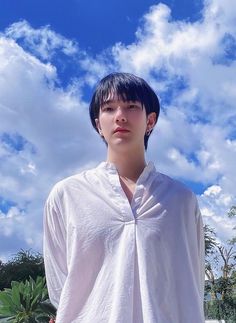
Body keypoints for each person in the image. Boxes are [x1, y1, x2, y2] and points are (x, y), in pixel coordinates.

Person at [43, 72, 205, 323]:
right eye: (108, 108)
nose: (120, 115)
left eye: (131, 106)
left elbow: (192, 283)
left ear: (150, 120)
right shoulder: (67, 195)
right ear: (98, 124)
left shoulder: (181, 200)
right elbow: (60, 286)